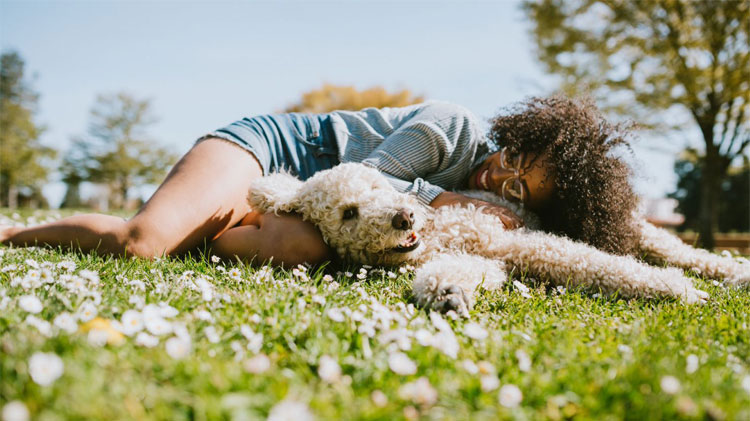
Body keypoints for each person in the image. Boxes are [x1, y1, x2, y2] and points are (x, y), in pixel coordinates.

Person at [1, 95, 638, 265]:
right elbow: (364, 178)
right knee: (140, 243)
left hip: (312, 211)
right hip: (277, 150)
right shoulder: (454, 127)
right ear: (516, 133)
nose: (499, 177)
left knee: (305, 249)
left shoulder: (496, 206)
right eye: (514, 159)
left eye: (519, 191)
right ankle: (11, 233)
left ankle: (213, 227)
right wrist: (439, 198)